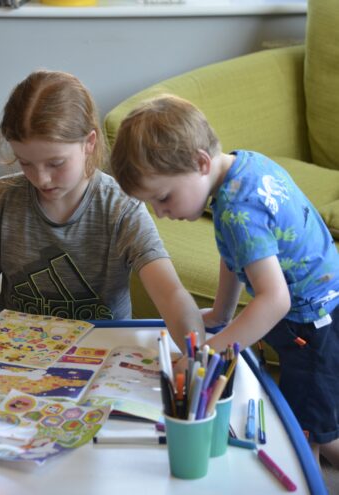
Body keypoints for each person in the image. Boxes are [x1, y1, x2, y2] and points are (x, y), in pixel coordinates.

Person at [110, 94, 339, 468]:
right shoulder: (243, 165)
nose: (161, 213)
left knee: (303, 435)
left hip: (311, 325)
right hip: (322, 304)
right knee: (317, 424)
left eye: (164, 198)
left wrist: (209, 354)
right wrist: (221, 312)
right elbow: (236, 254)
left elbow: (275, 300)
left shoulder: (238, 210)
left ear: (201, 162)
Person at [0, 72, 204, 353]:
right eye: (26, 163)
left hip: (101, 354)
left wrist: (197, 352)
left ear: (89, 143)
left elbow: (171, 292)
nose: (41, 179)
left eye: (56, 163)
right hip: (16, 353)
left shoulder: (122, 207)